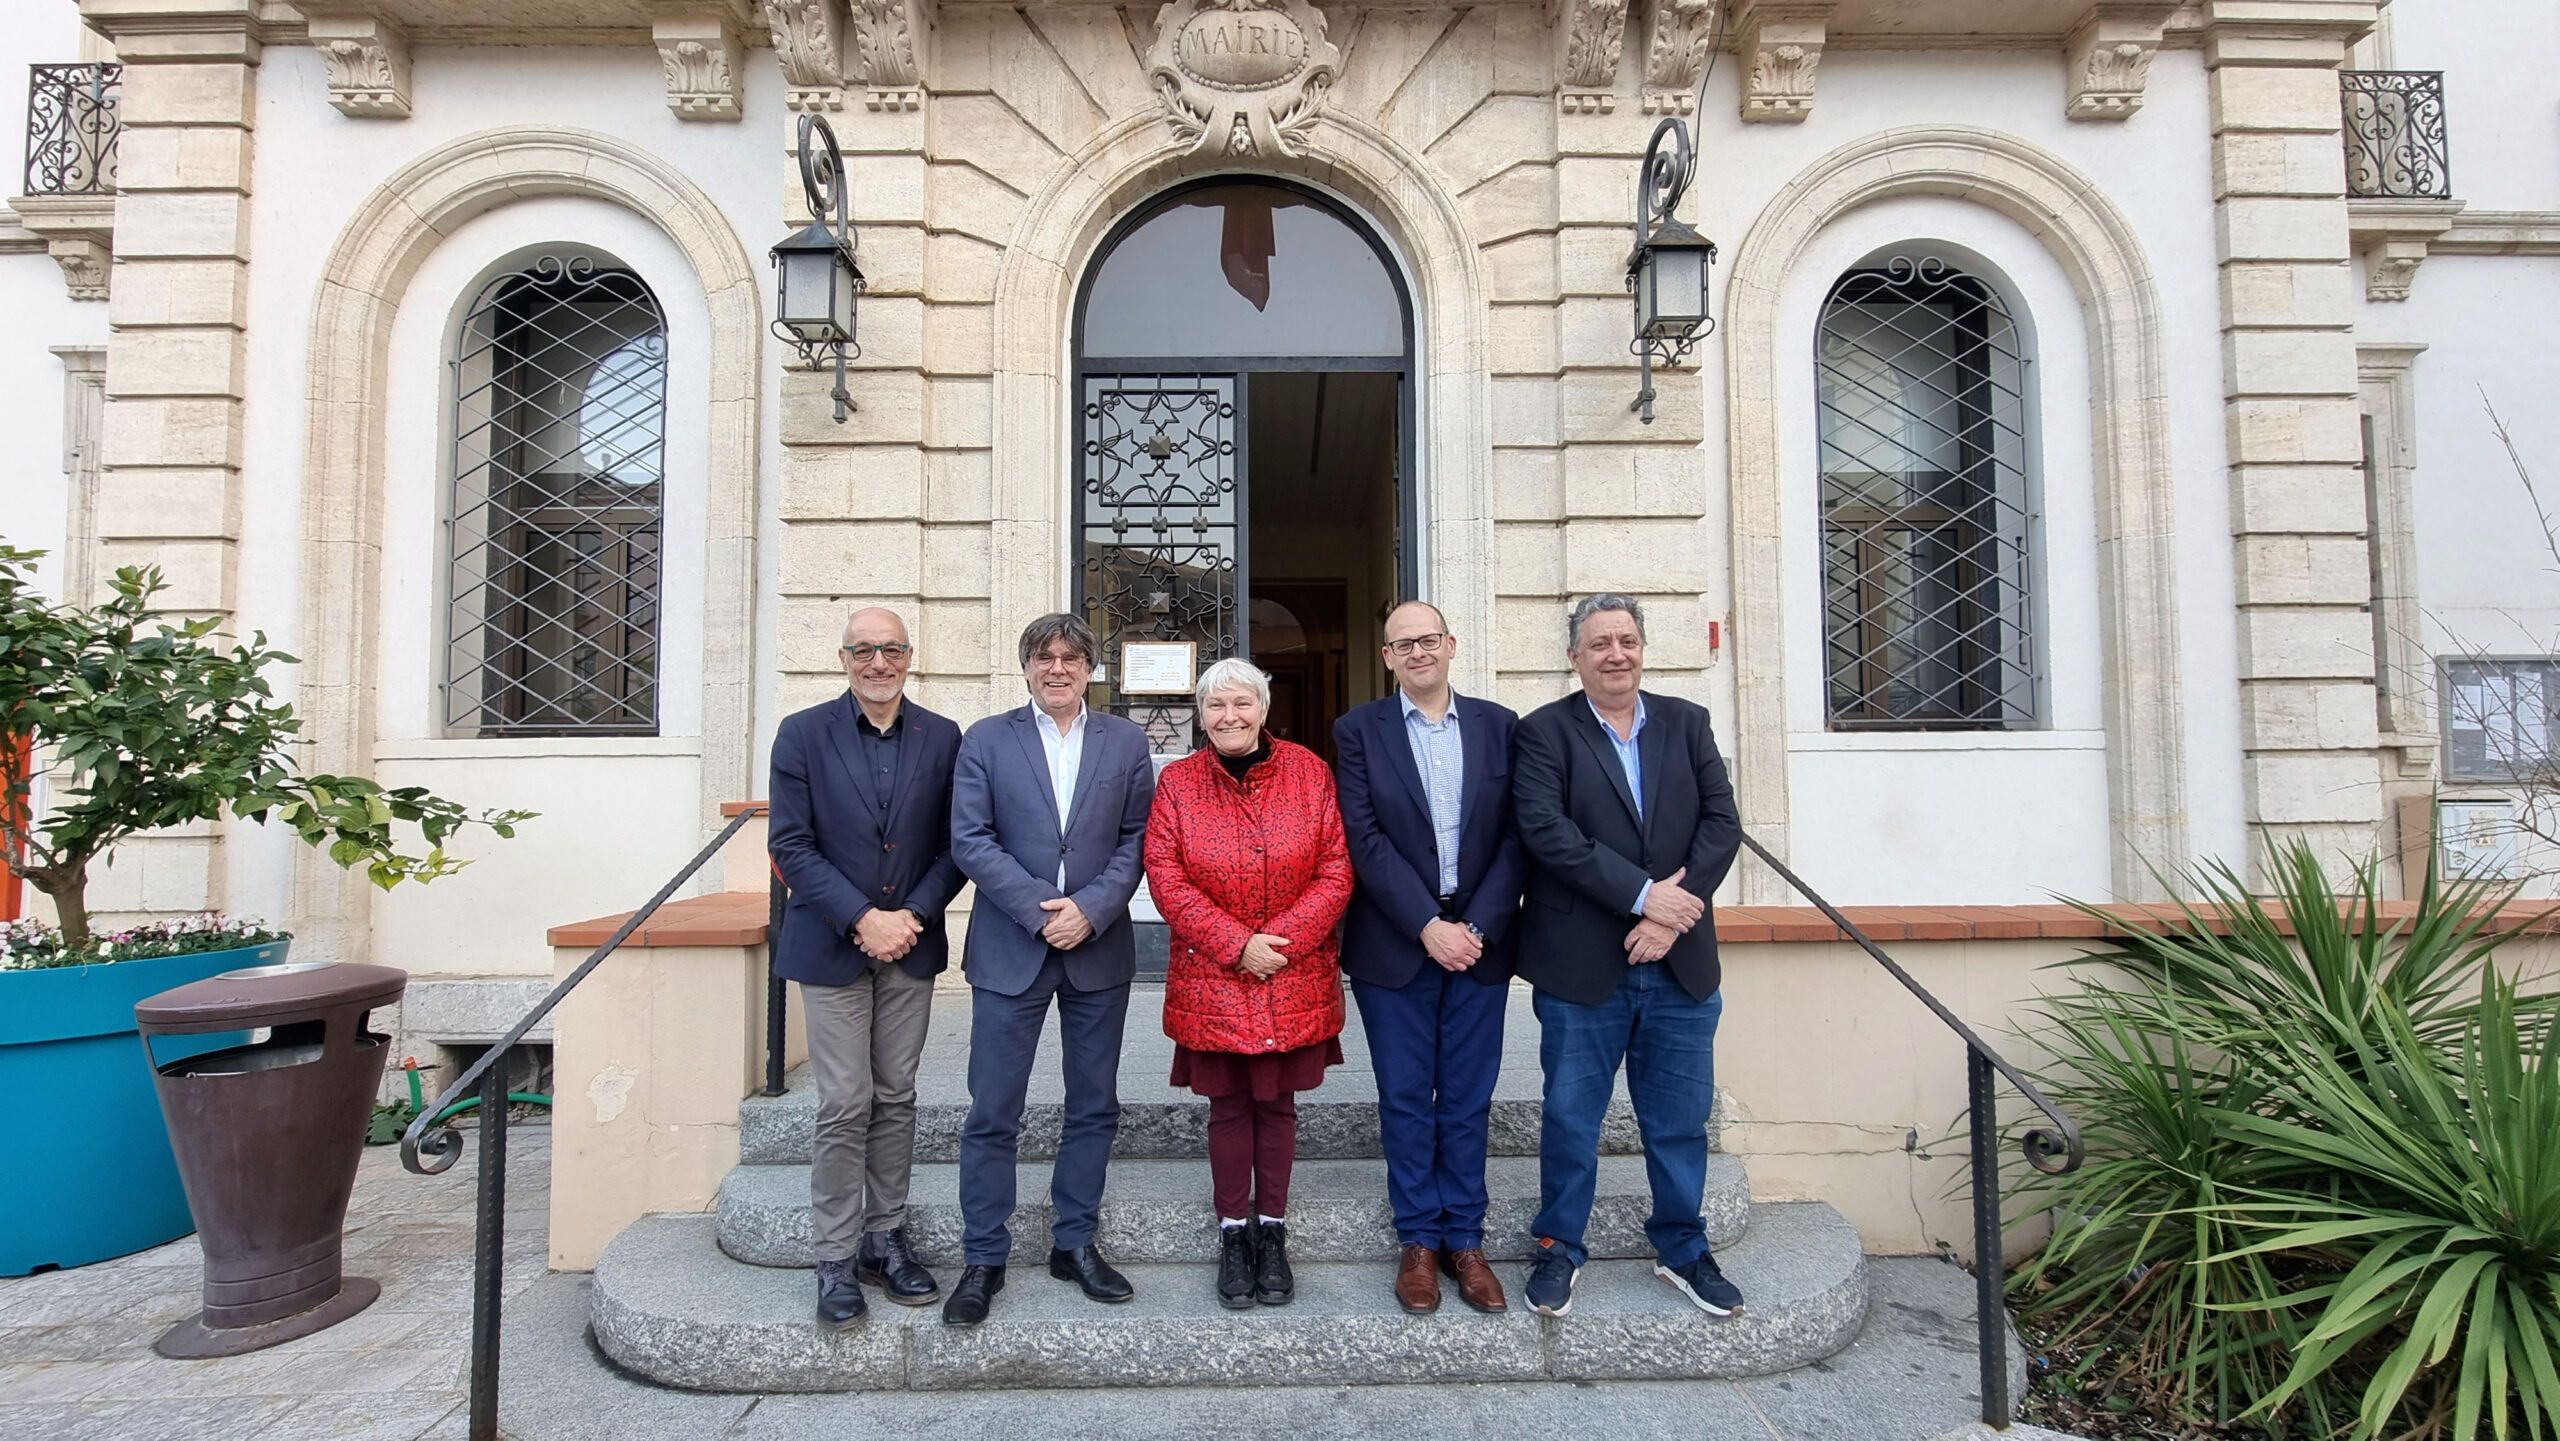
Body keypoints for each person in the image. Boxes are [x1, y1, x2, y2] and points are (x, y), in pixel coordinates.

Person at [1511, 593, 1743, 1319]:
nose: (1617, 653)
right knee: (1572, 1116)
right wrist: (1646, 896)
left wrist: (1671, 918)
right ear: (1574, 656)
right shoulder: (1544, 732)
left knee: (1678, 1118)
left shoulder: (1687, 722)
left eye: (1628, 639)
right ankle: (1558, 1245)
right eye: (1600, 642)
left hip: (1679, 962)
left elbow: (1721, 825)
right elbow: (1548, 834)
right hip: (1584, 964)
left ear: (1643, 648)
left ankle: (1683, 1247)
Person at [943, 613, 1157, 1327]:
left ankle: (1075, 1242)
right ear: (1026, 667)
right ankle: (983, 1255)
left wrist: (1090, 909)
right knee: (992, 1108)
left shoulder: (1126, 742)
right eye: (1044, 656)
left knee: (1092, 1104)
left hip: (1098, 947)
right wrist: (1043, 910)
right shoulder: (987, 739)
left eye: (1071, 656)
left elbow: (1137, 839)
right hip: (1011, 946)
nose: (1057, 667)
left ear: (1092, 669)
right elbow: (970, 839)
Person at [766, 607, 963, 1328]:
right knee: (845, 1100)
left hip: (910, 943)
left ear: (910, 656)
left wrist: (909, 915)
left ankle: (885, 1237)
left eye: (891, 649)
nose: (877, 662)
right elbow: (791, 845)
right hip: (831, 944)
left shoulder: (942, 736)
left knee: (897, 1094)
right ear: (843, 657)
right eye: (863, 650)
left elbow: (956, 843)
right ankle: (834, 1254)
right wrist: (862, 918)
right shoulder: (802, 734)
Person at [1331, 601, 1525, 1314]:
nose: (1417, 652)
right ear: (1386, 656)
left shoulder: (1501, 727)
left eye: (1428, 640)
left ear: (1452, 643)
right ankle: (1418, 1238)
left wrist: (1472, 923)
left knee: (1468, 1099)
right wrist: (1425, 924)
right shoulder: (1358, 732)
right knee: (1408, 1098)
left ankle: (1465, 1241)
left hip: (1481, 941)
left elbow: (1517, 836)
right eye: (1401, 644)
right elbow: (1364, 837)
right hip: (1395, 945)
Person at [1143, 657, 1354, 1309]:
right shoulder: (1177, 783)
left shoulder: (1308, 772)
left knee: (1279, 1104)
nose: (1229, 716)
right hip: (1214, 975)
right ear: (1200, 715)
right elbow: (1166, 876)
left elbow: (1335, 870)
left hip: (1290, 971)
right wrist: (1238, 945)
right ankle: (1235, 1231)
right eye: (1215, 705)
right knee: (1229, 1105)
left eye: (1242, 703)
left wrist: (1276, 944)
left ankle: (1274, 1230)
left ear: (1263, 708)